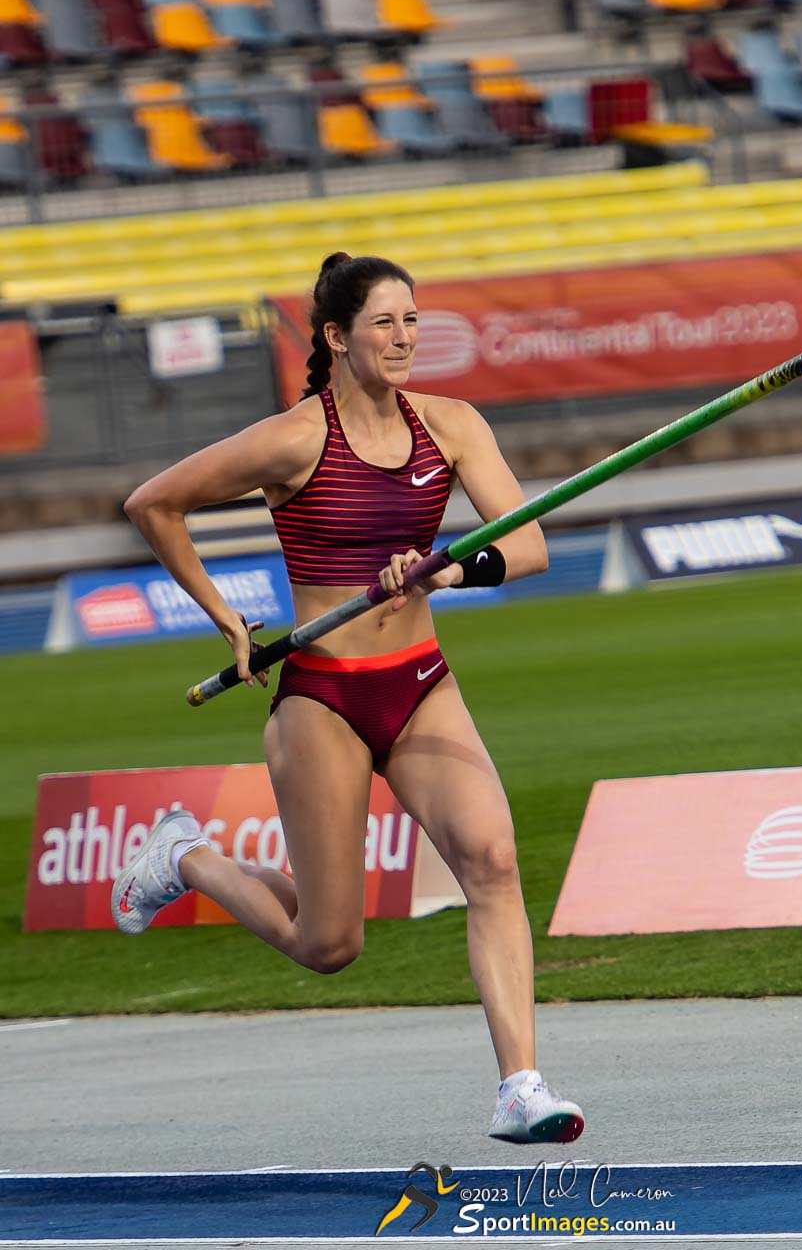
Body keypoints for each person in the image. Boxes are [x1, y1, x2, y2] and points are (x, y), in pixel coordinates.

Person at [112, 253, 584, 1145]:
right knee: (331, 945)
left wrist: (450, 565)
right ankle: (187, 860)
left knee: (491, 858)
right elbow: (154, 504)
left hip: (419, 685)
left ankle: (519, 1086)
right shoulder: (294, 438)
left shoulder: (451, 426)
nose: (404, 338)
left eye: (413, 320)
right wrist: (230, 624)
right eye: (383, 323)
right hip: (323, 698)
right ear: (336, 337)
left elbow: (527, 548)